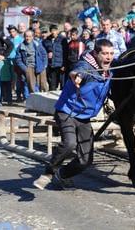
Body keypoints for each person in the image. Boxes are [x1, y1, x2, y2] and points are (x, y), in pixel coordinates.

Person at [33, 39, 115, 190]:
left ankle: (62, 174)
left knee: (85, 160)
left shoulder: (111, 69)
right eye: (104, 54)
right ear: (96, 54)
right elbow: (79, 69)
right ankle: (48, 173)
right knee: (69, 143)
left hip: (84, 117)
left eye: (111, 53)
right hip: (67, 112)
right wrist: (76, 75)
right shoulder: (87, 66)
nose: (108, 57)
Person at [15, 30, 48, 97]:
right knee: (31, 85)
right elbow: (18, 59)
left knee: (43, 84)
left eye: (30, 36)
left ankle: (45, 98)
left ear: (33, 37)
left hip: (39, 65)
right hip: (28, 67)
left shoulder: (37, 44)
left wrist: (44, 64)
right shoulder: (21, 46)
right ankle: (34, 100)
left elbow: (44, 54)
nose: (28, 38)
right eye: (26, 36)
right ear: (24, 37)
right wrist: (25, 68)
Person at [0, 25, 23, 105]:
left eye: (13, 31)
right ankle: (7, 95)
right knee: (8, 79)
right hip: (7, 61)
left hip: (16, 61)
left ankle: (18, 95)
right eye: (10, 32)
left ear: (16, 31)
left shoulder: (20, 39)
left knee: (16, 79)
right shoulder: (7, 39)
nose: (12, 33)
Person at [43, 25, 68, 91]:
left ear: (57, 31)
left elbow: (66, 53)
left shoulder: (62, 39)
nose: (53, 32)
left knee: (62, 84)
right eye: (52, 31)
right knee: (52, 84)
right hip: (52, 65)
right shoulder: (47, 40)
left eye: (54, 30)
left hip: (60, 65)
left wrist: (64, 64)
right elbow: (44, 50)